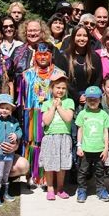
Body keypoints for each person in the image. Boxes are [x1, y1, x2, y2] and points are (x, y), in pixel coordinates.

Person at [17, 38, 66, 186]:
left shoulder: (59, 74)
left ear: (51, 55)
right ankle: (32, 174)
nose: (43, 57)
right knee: (32, 142)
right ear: (35, 56)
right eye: (39, 54)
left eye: (46, 54)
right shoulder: (27, 75)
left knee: (49, 143)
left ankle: (47, 177)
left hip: (52, 114)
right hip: (32, 114)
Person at [75, 85, 109, 203]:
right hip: (86, 149)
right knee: (82, 171)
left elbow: (106, 132)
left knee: (100, 172)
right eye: (89, 99)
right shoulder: (82, 114)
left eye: (95, 99)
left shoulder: (103, 114)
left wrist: (106, 148)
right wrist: (79, 146)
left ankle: (101, 190)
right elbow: (80, 130)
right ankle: (81, 190)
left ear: (100, 99)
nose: (92, 102)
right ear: (85, 100)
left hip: (99, 149)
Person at [40, 76, 75, 199]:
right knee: (49, 164)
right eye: (58, 87)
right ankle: (50, 188)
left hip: (64, 137)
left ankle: (60, 188)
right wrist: (53, 107)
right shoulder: (46, 104)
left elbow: (68, 118)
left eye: (63, 88)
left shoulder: (69, 102)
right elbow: (46, 121)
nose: (60, 90)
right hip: (50, 137)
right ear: (51, 88)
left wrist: (59, 106)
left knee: (62, 165)